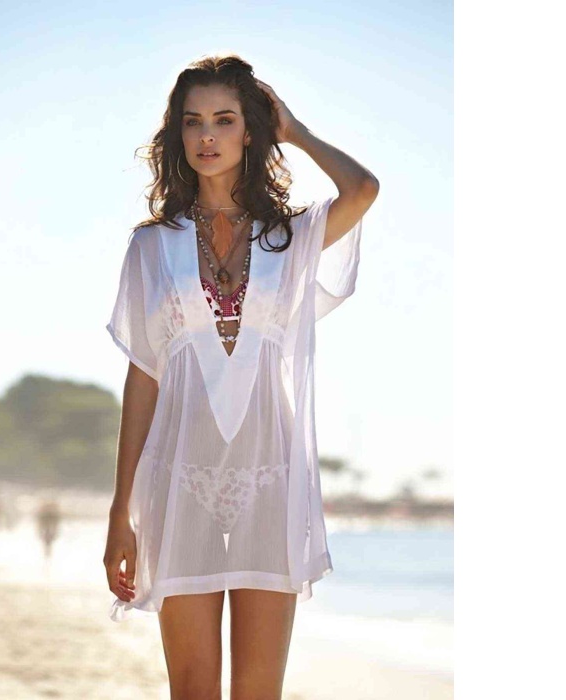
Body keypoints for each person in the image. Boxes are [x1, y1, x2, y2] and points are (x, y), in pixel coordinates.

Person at [103, 53, 379, 700]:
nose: (207, 136)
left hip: (269, 480)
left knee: (259, 692)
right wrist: (121, 512)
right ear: (177, 133)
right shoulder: (152, 246)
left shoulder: (289, 237)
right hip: (179, 481)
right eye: (193, 121)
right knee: (193, 690)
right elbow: (143, 379)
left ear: (250, 131)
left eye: (224, 120)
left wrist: (298, 132)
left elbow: (363, 190)